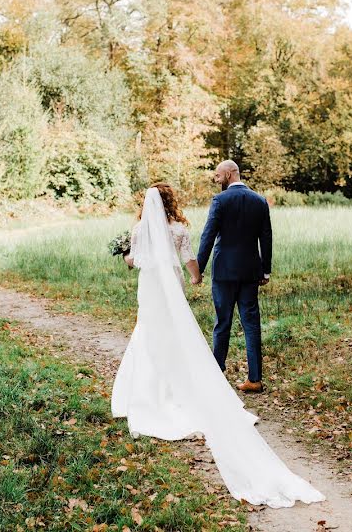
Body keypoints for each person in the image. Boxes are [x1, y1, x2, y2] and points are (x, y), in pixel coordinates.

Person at [111, 182, 324, 508]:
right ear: (171, 200)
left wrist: (125, 252)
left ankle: (149, 394)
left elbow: (133, 261)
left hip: (150, 288)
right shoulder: (179, 227)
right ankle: (219, 380)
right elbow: (188, 258)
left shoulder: (140, 228)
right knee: (183, 334)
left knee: (150, 334)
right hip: (176, 285)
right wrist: (195, 276)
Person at [197, 160, 271, 393]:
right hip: (250, 270)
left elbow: (208, 236)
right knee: (251, 324)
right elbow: (266, 237)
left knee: (222, 322)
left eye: (218, 176)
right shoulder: (260, 201)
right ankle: (255, 379)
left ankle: (217, 374)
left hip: (224, 272)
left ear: (229, 174)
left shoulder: (220, 201)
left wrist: (198, 268)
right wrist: (265, 269)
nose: (216, 180)